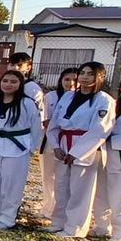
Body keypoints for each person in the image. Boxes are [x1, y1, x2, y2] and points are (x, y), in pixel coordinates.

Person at [48, 62, 114, 238]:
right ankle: (58, 222)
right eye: (82, 73)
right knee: (61, 186)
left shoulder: (104, 100)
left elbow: (100, 130)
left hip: (86, 148)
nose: (84, 77)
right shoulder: (68, 96)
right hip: (63, 143)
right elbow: (54, 123)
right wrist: (55, 145)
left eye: (90, 74)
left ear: (100, 77)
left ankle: (75, 228)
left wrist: (76, 152)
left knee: (80, 191)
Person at [0, 70, 42, 230]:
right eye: (5, 81)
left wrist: (32, 147)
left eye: (13, 82)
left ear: (20, 85)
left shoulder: (27, 103)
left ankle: (7, 217)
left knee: (12, 183)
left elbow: (36, 127)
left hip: (18, 146)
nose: (8, 84)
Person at [40, 68, 78, 218]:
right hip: (50, 139)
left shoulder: (83, 99)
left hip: (70, 141)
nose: (71, 83)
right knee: (48, 175)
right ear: (61, 80)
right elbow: (44, 117)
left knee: (65, 177)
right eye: (67, 79)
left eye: (74, 79)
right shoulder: (51, 96)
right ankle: (48, 207)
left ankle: (63, 209)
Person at [100, 76, 121, 241]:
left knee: (120, 197)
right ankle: (102, 226)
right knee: (101, 194)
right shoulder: (114, 104)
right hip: (105, 154)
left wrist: (111, 139)